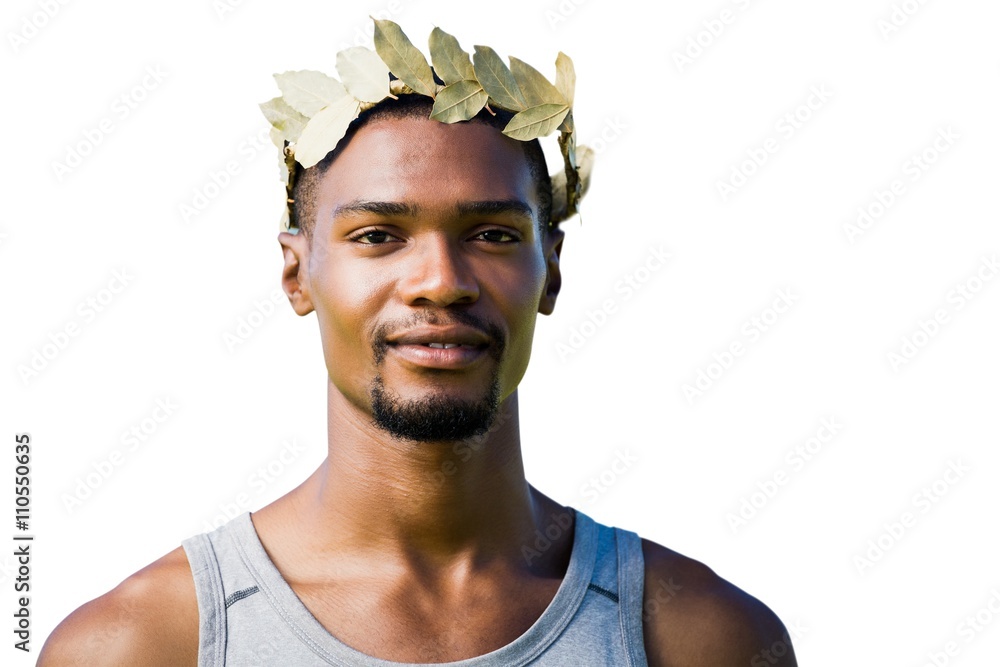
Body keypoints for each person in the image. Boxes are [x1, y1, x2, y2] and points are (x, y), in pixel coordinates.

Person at [39, 21, 797, 667]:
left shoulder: (698, 638)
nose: (439, 280)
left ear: (551, 269)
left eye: (493, 234)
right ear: (298, 273)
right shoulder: (146, 644)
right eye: (378, 235)